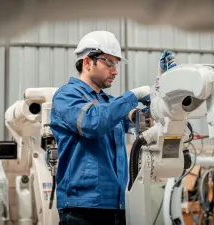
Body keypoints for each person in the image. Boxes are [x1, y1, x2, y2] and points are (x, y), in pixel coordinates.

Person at [50, 30, 176, 225]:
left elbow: (144, 122)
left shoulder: (109, 103)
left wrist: (162, 87)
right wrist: (133, 95)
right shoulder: (66, 96)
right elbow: (93, 124)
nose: (115, 71)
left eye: (115, 64)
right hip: (82, 209)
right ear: (87, 62)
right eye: (108, 63)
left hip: (117, 206)